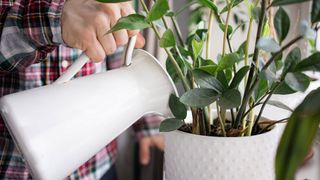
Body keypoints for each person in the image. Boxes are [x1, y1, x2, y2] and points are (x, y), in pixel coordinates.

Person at [0, 0, 164, 179]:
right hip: (12, 163)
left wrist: (146, 123)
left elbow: (116, 45)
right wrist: (56, 20)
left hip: (96, 165)